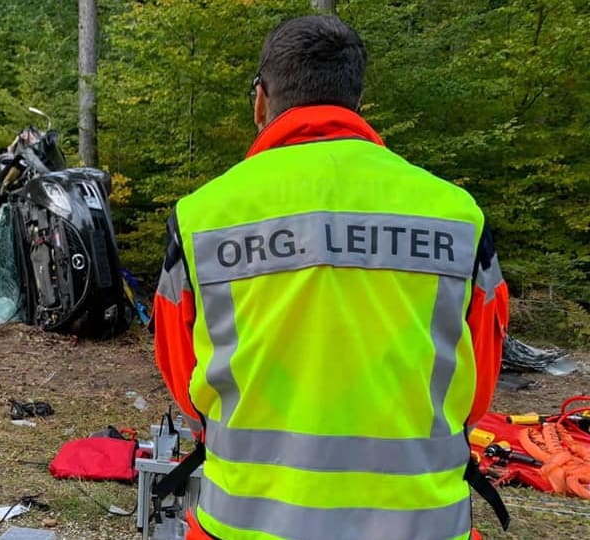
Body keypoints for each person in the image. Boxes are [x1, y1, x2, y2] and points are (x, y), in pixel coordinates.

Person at [152, 15, 509, 540]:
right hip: (421, 526)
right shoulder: (455, 216)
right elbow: (478, 388)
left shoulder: (202, 217)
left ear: (260, 100)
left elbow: (185, 380)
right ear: (357, 102)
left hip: (245, 526)